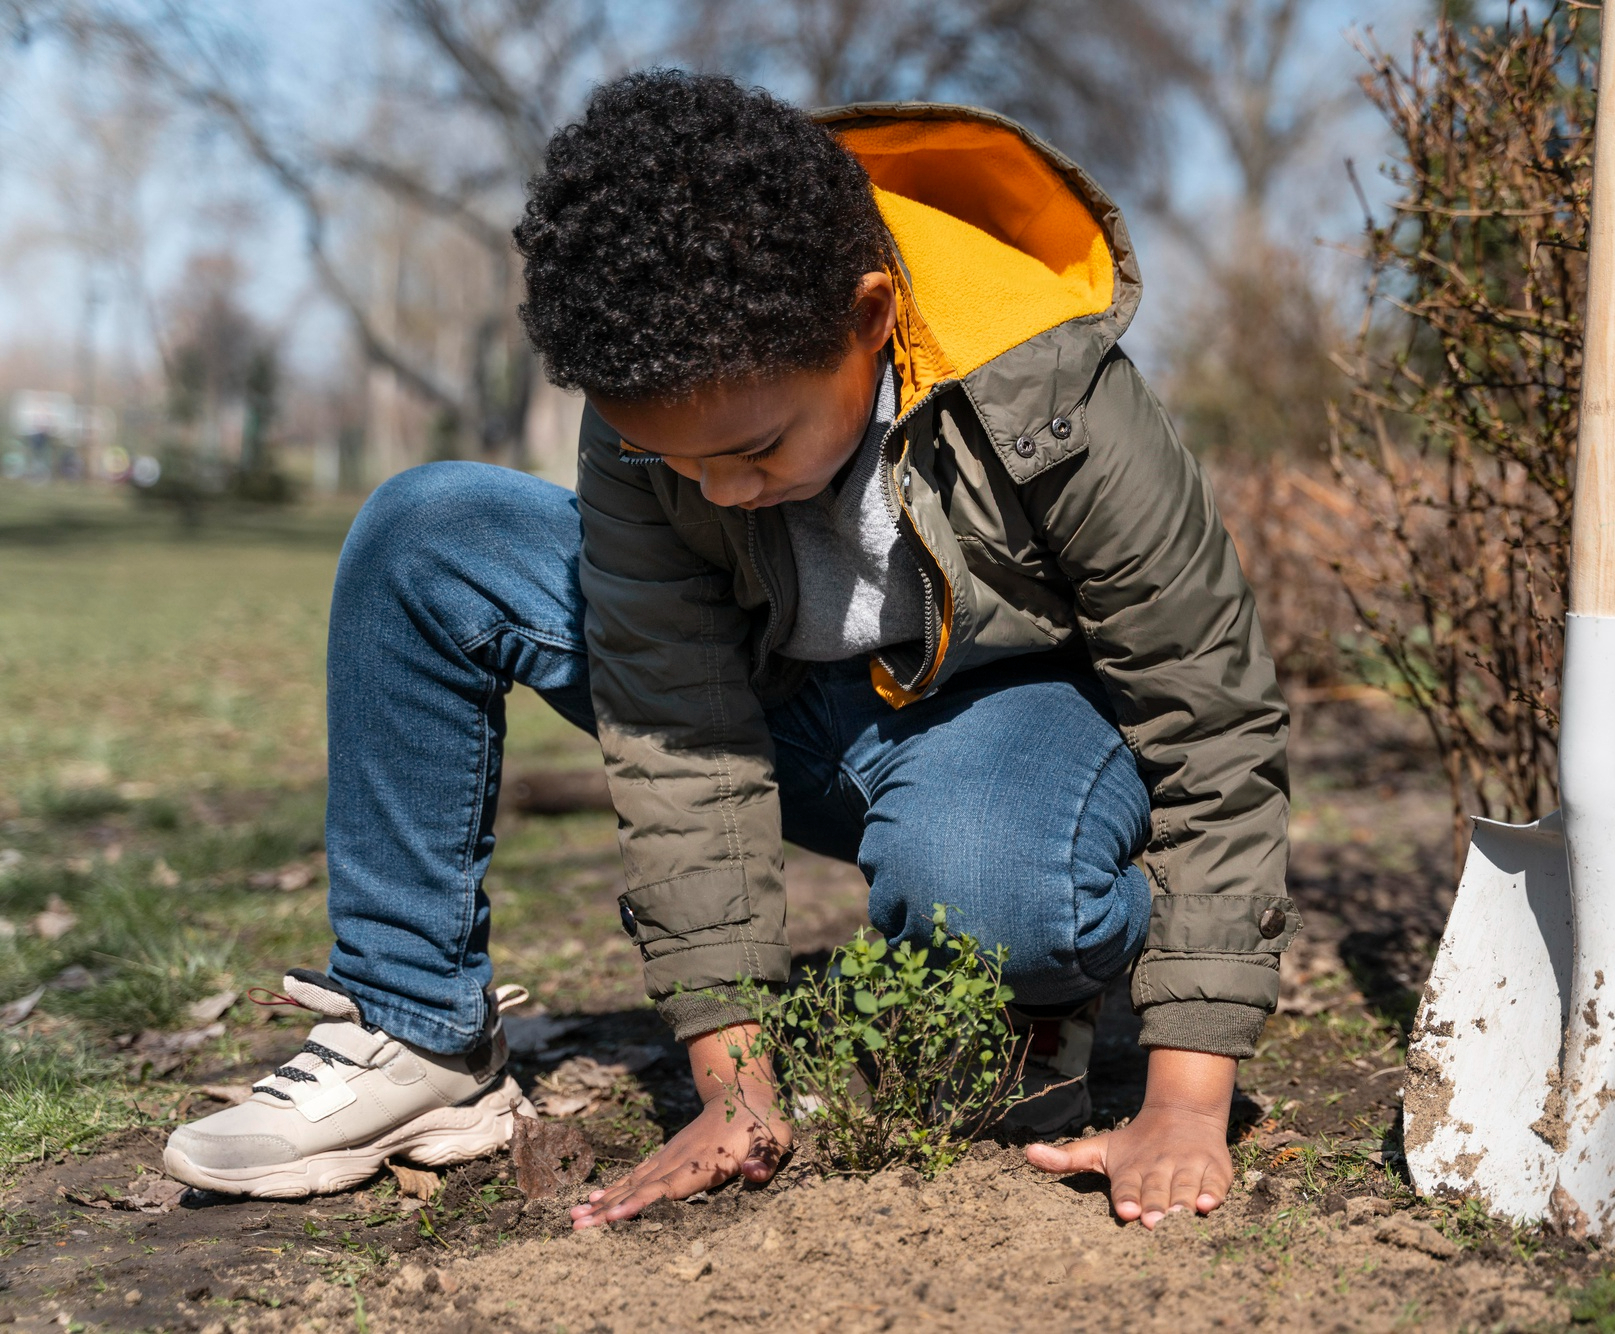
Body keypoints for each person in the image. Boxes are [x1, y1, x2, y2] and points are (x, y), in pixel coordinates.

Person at [162, 71, 1295, 1232]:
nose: (718, 490)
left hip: (1001, 721)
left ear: (864, 318)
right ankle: (414, 1027)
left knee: (999, 891)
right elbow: (682, 731)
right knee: (429, 534)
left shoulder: (1051, 386)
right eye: (680, 461)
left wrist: (1187, 1098)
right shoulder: (658, 393)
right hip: (777, 705)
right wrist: (734, 1081)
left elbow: (1210, 722)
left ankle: (1030, 983)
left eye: (752, 450)